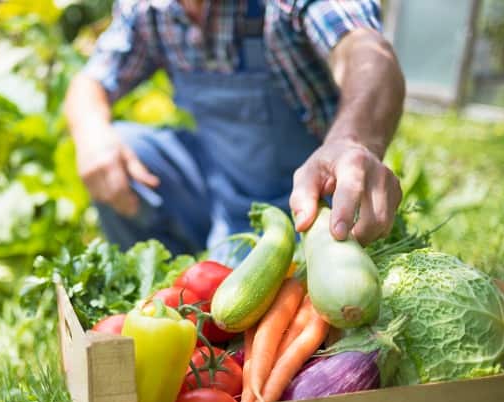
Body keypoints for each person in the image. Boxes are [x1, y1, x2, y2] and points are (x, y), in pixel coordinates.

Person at [64, 0, 404, 258]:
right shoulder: (151, 9)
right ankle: (162, 287)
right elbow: (91, 81)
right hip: (221, 188)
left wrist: (352, 141)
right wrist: (92, 132)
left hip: (318, 207)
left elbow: (367, 52)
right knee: (123, 146)